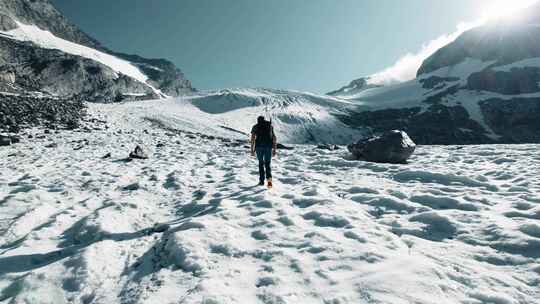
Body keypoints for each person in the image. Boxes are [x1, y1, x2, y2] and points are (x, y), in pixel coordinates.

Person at [251, 116, 277, 187]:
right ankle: (269, 181)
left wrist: (252, 150)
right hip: (268, 147)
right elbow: (274, 138)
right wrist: (274, 149)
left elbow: (253, 139)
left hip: (259, 147)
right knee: (267, 164)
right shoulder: (269, 126)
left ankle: (261, 181)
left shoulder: (255, 127)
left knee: (261, 163)